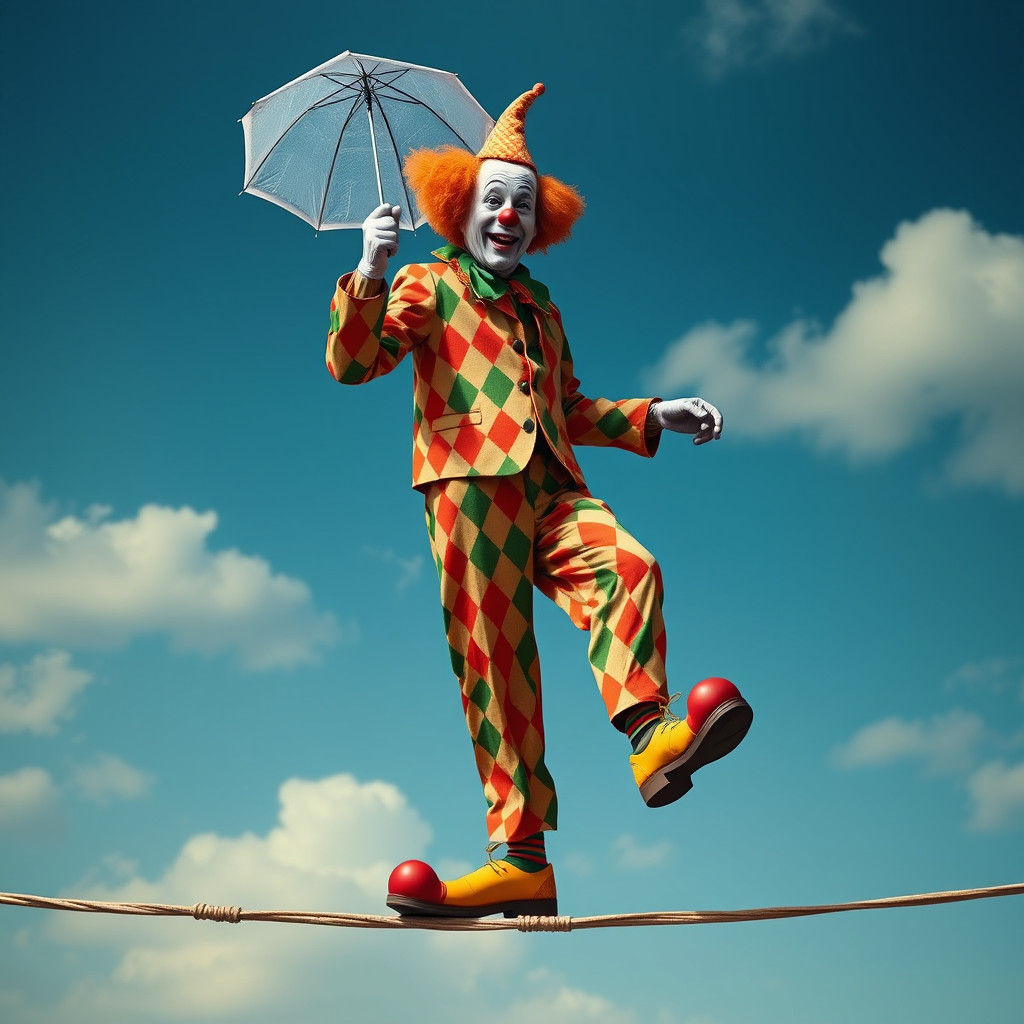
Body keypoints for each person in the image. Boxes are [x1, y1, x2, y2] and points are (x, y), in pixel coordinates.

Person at [326, 83, 751, 919]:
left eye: (522, 204)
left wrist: (652, 413)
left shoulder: (541, 309)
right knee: (497, 664)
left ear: (539, 221)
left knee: (629, 566)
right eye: (493, 200)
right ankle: (520, 856)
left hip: (551, 487)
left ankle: (652, 737)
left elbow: (565, 407)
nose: (508, 216)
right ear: (461, 207)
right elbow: (352, 363)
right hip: (467, 489)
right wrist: (370, 269)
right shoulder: (426, 284)